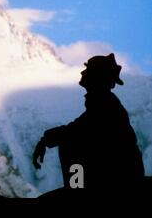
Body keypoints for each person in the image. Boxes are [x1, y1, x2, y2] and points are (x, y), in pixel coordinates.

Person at [32, 53, 145, 196]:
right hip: (122, 174)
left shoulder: (104, 105)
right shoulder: (103, 103)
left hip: (120, 178)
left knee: (70, 143)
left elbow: (77, 130)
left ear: (97, 77)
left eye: (88, 69)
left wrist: (45, 140)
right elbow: (78, 127)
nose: (82, 72)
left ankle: (77, 188)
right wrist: (46, 139)